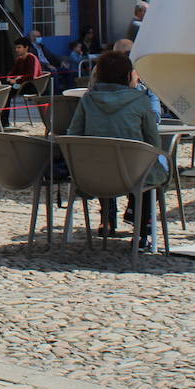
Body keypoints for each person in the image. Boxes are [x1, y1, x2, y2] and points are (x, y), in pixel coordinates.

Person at [67, 50, 166, 245]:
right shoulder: (140, 101)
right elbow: (153, 141)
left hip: (94, 175)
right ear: (129, 74)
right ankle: (141, 221)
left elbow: (73, 135)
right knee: (153, 162)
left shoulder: (88, 100)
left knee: (103, 157)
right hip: (133, 174)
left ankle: (108, 219)